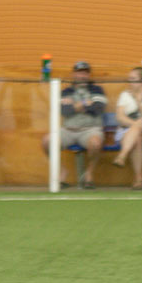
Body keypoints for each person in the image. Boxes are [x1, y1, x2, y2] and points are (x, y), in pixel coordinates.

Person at [42, 60, 107, 188]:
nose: (82, 76)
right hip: (68, 130)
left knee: (95, 143)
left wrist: (75, 105)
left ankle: (89, 174)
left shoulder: (97, 89)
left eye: (85, 73)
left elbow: (98, 109)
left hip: (90, 130)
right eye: (79, 73)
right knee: (46, 141)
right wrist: (86, 103)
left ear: (89, 75)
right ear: (74, 74)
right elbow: (64, 111)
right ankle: (62, 172)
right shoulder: (66, 91)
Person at [112, 66, 142, 190]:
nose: (130, 82)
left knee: (139, 129)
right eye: (129, 79)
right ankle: (139, 178)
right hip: (125, 131)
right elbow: (120, 117)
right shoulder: (124, 95)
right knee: (137, 138)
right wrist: (136, 124)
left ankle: (122, 155)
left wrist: (137, 100)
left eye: (133, 79)